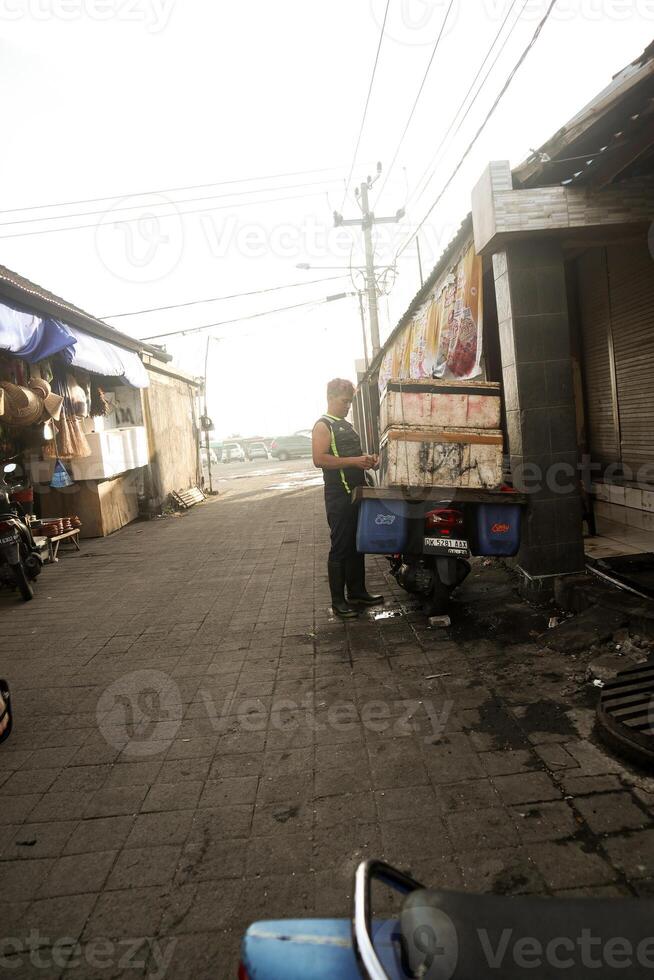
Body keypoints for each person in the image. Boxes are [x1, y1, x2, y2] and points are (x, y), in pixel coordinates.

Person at [312, 378, 383, 619]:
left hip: (356, 493)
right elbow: (319, 459)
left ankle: (358, 592)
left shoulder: (346, 425)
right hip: (338, 496)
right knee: (341, 547)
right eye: (344, 401)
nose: (348, 406)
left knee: (357, 544)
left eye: (350, 402)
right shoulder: (323, 426)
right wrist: (354, 461)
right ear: (331, 398)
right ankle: (338, 602)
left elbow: (351, 456)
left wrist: (368, 459)